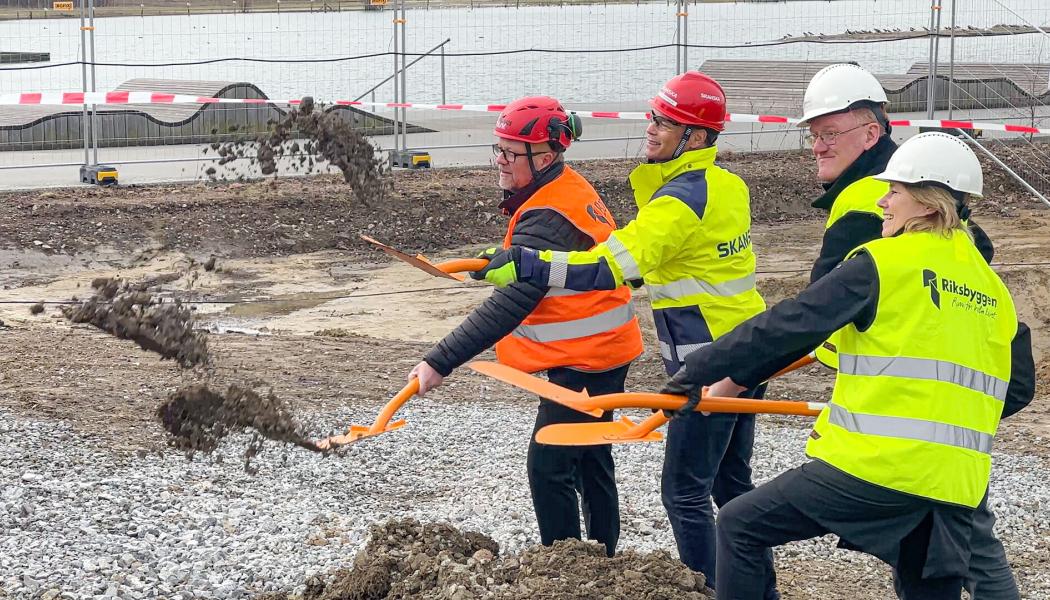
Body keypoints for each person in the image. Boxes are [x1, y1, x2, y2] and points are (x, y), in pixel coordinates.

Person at [661, 132, 1035, 599]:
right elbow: (1017, 388)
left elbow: (787, 324)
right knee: (927, 587)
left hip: (878, 469)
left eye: (894, 191)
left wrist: (695, 373)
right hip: (955, 483)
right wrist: (939, 418)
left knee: (740, 525)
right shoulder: (993, 290)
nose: (882, 200)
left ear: (925, 204)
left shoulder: (883, 262)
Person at [473, 72, 771, 596]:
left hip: (709, 362)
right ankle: (758, 590)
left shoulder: (678, 203)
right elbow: (649, 265)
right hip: (749, 347)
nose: (650, 128)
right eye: (652, 116)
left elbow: (604, 270)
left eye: (664, 122)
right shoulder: (727, 185)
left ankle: (715, 591)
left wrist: (528, 262)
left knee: (684, 492)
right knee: (731, 486)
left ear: (696, 138)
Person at [800, 64, 1020, 599]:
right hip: (939, 419)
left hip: (909, 426)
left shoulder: (866, 204)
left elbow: (819, 315)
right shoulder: (918, 183)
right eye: (813, 135)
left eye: (829, 133)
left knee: (962, 545)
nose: (817, 146)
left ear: (871, 133)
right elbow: (975, 254)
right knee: (953, 542)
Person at [407, 96, 643, 557]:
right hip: (605, 348)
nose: (500, 161)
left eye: (510, 153)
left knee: (550, 464)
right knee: (592, 456)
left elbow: (512, 302)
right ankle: (602, 561)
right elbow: (531, 261)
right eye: (498, 148)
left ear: (546, 155)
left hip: (585, 359)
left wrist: (440, 361)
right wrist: (496, 261)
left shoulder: (548, 214)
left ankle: (563, 568)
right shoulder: (565, 190)